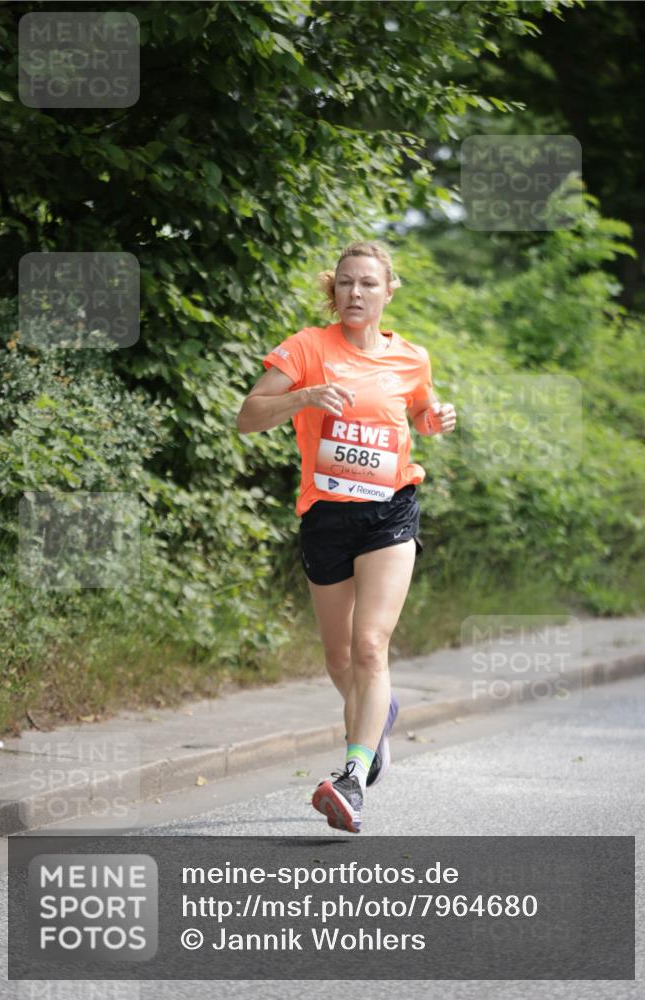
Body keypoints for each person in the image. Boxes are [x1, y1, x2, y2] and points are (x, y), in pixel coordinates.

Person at [236, 240, 456, 833]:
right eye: (346, 284)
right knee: (339, 659)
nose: (355, 294)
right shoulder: (307, 347)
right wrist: (304, 396)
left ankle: (353, 777)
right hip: (326, 515)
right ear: (332, 289)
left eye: (368, 284)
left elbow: (422, 414)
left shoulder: (411, 357)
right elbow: (248, 416)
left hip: (390, 512)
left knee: (368, 646)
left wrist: (435, 419)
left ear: (389, 291)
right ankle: (375, 719)